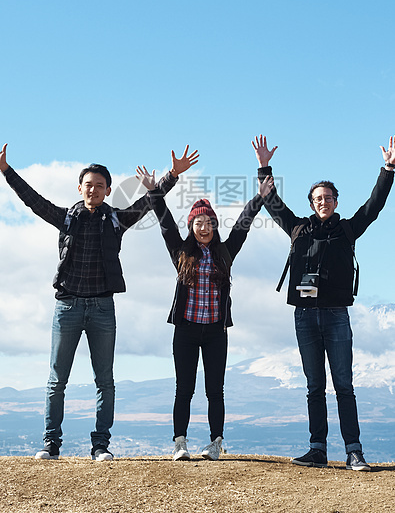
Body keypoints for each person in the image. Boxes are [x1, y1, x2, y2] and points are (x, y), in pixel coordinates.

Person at [0, 143, 198, 461]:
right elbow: (33, 201)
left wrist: (173, 173)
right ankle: (51, 444)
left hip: (102, 308)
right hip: (67, 305)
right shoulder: (66, 219)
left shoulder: (116, 220)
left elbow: (149, 201)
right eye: (88, 185)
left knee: (104, 379)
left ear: (107, 191)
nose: (93, 190)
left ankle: (100, 445)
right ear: (80, 188)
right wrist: (7, 171)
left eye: (99, 186)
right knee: (56, 379)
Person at [253, 134, 395, 471]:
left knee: (344, 385)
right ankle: (317, 449)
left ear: (336, 201)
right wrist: (263, 167)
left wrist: (388, 168)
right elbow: (272, 203)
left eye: (329, 197)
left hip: (336, 316)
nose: (323, 202)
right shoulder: (298, 229)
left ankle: (353, 451)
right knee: (314, 386)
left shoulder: (347, 230)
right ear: (311, 202)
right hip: (304, 316)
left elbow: (374, 206)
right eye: (318, 198)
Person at [137, 160, 274, 461]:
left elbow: (243, 223)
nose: (203, 228)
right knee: (183, 389)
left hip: (215, 332)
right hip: (185, 330)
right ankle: (180, 443)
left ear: (214, 226)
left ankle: (215, 443)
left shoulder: (225, 252)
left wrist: (260, 198)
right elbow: (165, 222)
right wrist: (153, 193)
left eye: (208, 223)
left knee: (216, 389)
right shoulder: (181, 251)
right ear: (192, 227)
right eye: (198, 223)